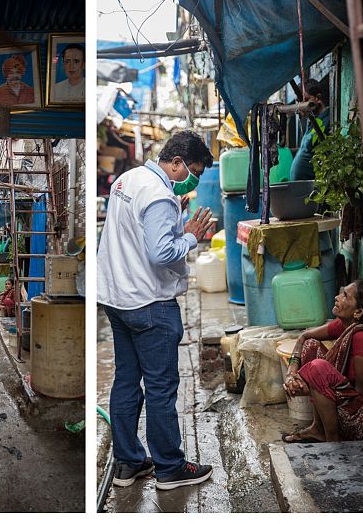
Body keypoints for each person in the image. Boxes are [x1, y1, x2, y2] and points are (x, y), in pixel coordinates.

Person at [97, 130, 216, 491]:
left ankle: (129, 463)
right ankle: (169, 468)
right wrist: (192, 236)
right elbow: (161, 253)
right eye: (193, 172)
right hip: (150, 303)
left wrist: (178, 223)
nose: (193, 181)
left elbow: (139, 236)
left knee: (126, 381)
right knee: (161, 387)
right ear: (177, 162)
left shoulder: (128, 179)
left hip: (118, 299)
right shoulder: (160, 195)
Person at [282, 280, 363, 443]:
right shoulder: (347, 325)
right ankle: (318, 429)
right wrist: (291, 374)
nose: (337, 297)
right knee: (311, 346)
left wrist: (314, 385)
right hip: (350, 401)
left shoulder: (362, 337)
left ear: (358, 312)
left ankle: (332, 442)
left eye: (345, 296)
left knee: (317, 369)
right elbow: (304, 337)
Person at [289, 78, 330, 181]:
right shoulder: (312, 122)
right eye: (299, 102)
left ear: (318, 98)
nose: (301, 106)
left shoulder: (327, 120)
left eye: (306, 100)